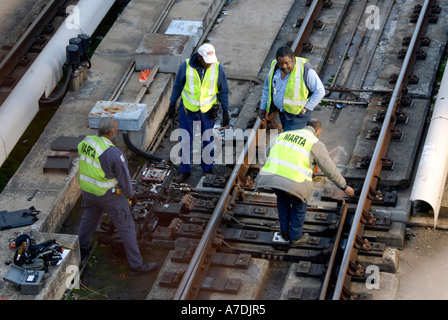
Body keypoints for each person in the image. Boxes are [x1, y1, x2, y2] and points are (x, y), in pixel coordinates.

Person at [77, 117, 157, 276]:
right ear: (112, 132)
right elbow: (124, 179)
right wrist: (132, 195)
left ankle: (82, 248)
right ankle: (136, 265)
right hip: (108, 195)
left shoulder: (86, 142)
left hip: (88, 191)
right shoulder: (113, 154)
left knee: (90, 217)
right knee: (126, 227)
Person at [255, 118, 354, 247]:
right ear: (317, 131)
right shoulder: (315, 143)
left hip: (273, 177)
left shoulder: (284, 135)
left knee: (282, 201)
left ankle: (284, 232)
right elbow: (330, 169)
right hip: (295, 182)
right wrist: (344, 186)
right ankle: (295, 237)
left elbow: (268, 152)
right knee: (299, 206)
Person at [168, 43, 230, 182]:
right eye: (207, 62)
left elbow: (223, 90)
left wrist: (226, 110)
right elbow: (178, 86)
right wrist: (172, 104)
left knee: (208, 140)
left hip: (207, 112)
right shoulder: (186, 66)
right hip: (188, 111)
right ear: (200, 58)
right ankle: (185, 171)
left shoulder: (217, 67)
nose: (209, 64)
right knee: (185, 141)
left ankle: (207, 169)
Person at [258, 46, 325, 132]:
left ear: (293, 59)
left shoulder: (306, 70)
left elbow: (320, 91)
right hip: (283, 112)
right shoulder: (274, 67)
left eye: (287, 63)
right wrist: (263, 108)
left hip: (297, 116)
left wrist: (306, 108)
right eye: (281, 63)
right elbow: (267, 88)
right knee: (288, 135)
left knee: (290, 138)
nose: (284, 66)